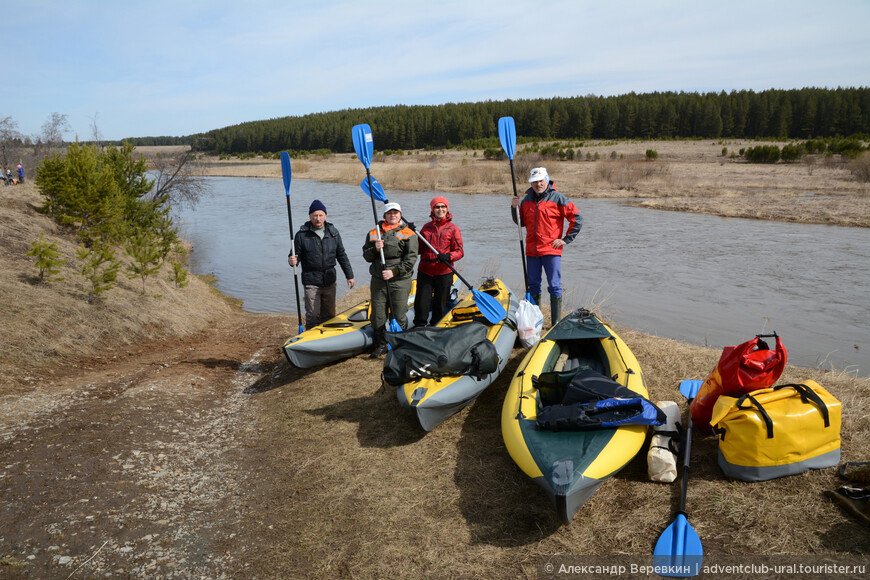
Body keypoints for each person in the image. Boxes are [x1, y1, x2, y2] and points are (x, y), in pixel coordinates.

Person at [511, 166, 582, 325]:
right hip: (531, 251)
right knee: (533, 286)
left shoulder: (558, 198)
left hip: (552, 250)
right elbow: (520, 223)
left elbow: (577, 218)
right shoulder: (526, 200)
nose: (538, 184)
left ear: (547, 180)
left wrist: (566, 239)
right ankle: (536, 322)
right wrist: (514, 208)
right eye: (535, 182)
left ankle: (555, 323)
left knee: (555, 286)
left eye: (541, 181)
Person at [288, 199, 355, 330]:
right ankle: (309, 339)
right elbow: (294, 256)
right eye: (315, 215)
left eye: (320, 215)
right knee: (313, 314)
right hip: (311, 280)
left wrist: (350, 275)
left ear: (325, 216)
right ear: (310, 216)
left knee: (329, 315)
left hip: (330, 280)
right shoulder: (301, 235)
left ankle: (327, 340)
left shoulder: (333, 233)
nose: (318, 219)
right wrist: (292, 261)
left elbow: (342, 255)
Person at [363, 202, 418, 357]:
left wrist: (393, 272)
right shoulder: (374, 232)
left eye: (396, 213)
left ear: (400, 215)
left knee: (399, 313)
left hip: (400, 280)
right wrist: (376, 249)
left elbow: (411, 260)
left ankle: (397, 344)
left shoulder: (409, 233)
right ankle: (380, 344)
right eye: (389, 213)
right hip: (378, 280)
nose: (393, 215)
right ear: (385, 215)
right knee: (378, 313)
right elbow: (367, 256)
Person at [413, 196, 463, 327]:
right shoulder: (426, 228)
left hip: (444, 272)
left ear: (447, 209)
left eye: (443, 206)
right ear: (432, 209)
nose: (440, 209)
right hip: (425, 271)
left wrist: (448, 256)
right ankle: (419, 327)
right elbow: (417, 249)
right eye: (437, 207)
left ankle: (436, 326)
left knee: (440, 303)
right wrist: (411, 235)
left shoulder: (453, 228)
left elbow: (460, 251)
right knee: (421, 303)